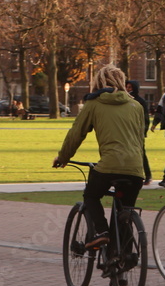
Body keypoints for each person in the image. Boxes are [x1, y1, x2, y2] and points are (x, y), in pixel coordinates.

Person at [53, 65, 145, 249]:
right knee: (125, 210)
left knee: (91, 196)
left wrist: (63, 157)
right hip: (135, 168)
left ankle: (101, 232)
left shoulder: (94, 104)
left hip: (109, 165)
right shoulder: (136, 106)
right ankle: (123, 257)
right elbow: (139, 139)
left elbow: (76, 134)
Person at [124, 80, 153, 185]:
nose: (128, 89)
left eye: (130, 87)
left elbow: (145, 118)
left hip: (137, 133)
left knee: (141, 154)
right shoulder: (125, 100)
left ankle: (148, 175)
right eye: (127, 87)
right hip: (127, 132)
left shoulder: (141, 101)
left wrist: (143, 131)